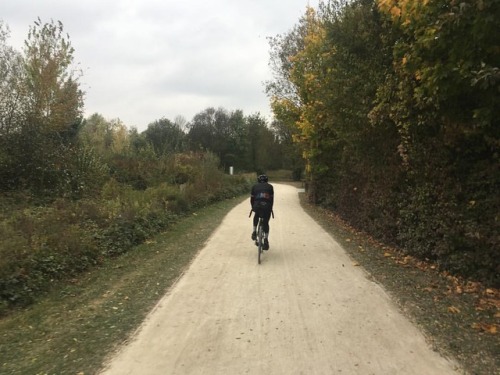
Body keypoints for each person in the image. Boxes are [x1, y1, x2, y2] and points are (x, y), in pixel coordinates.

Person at [250, 174, 274, 250]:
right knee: (266, 222)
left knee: (256, 215)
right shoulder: (270, 187)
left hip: (257, 206)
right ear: (267, 181)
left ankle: (254, 232)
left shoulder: (254, 186)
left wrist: (253, 208)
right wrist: (270, 208)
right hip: (267, 206)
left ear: (258, 181)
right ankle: (266, 240)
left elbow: (252, 200)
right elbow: (271, 200)